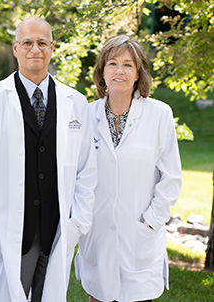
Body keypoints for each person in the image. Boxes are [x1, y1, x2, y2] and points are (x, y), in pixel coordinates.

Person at [0, 16, 97, 302]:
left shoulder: (75, 102)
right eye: (27, 43)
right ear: (15, 48)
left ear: (52, 47)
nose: (35, 49)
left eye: (42, 42)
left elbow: (86, 169)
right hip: (9, 232)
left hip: (56, 229)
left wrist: (78, 223)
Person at [74, 35, 182, 302]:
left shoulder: (159, 115)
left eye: (128, 65)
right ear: (101, 71)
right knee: (98, 295)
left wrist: (152, 221)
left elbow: (171, 178)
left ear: (138, 74)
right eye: (112, 63)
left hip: (139, 237)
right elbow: (75, 175)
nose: (119, 71)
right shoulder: (86, 116)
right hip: (97, 236)